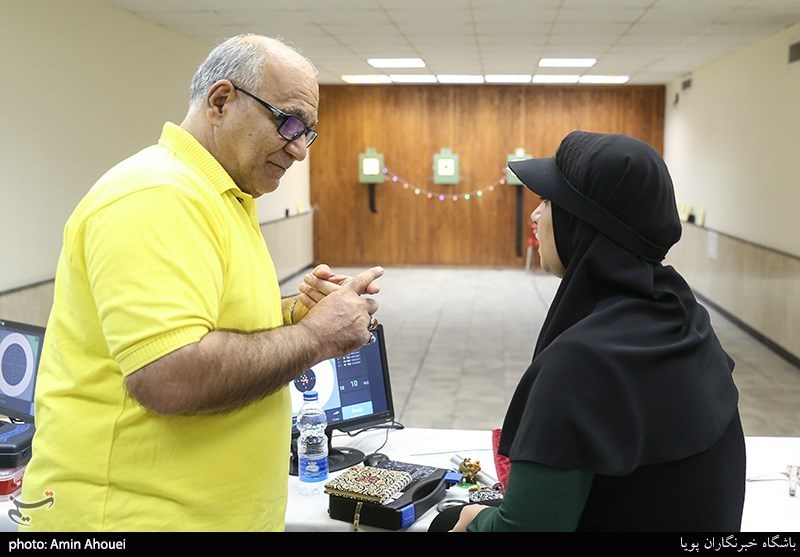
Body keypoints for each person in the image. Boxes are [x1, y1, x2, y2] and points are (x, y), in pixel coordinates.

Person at [20, 34, 383, 531]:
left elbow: (212, 322)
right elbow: (169, 376)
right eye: (289, 122)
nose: (300, 149)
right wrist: (317, 336)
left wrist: (292, 313)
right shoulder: (158, 194)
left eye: (308, 132)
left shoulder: (221, 196)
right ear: (220, 101)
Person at [434, 130, 746, 532]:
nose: (535, 216)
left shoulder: (580, 361)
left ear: (583, 221)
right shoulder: (686, 317)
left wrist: (471, 519)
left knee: (449, 518)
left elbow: (525, 529)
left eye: (548, 201)